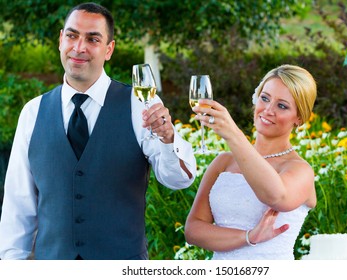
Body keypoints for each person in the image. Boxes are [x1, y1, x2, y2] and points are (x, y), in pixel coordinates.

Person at [0, 2, 196, 260]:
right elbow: (18, 205)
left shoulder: (141, 105)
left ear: (109, 49)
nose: (79, 47)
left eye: (93, 39)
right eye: (72, 36)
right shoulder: (32, 112)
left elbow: (179, 180)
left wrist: (169, 139)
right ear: (61, 40)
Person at [185, 64, 317, 259]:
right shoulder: (223, 162)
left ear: (299, 117)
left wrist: (233, 135)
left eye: (282, 105)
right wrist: (248, 237)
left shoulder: (300, 170)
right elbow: (193, 230)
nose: (268, 110)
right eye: (265, 98)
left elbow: (276, 197)